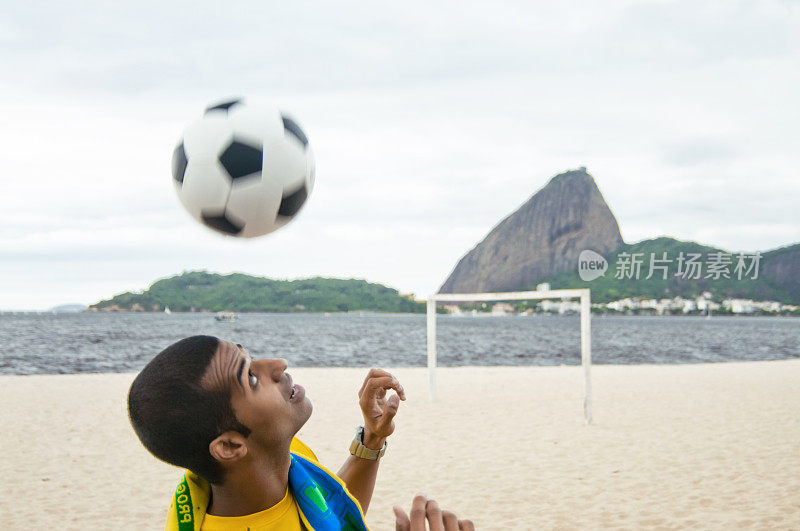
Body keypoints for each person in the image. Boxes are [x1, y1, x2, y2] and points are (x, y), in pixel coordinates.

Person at [128, 335, 474, 530]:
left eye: (251, 357)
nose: (277, 365)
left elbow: (327, 511)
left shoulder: (285, 459)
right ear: (231, 445)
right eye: (250, 377)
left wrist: (372, 439)